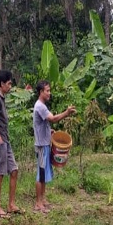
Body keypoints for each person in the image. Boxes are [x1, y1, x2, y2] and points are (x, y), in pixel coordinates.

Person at [32, 80, 75, 213]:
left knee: (44, 174)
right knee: (41, 174)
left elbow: (43, 123)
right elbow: (53, 119)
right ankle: (38, 203)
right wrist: (66, 113)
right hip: (40, 146)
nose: (49, 93)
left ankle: (43, 200)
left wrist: (48, 131)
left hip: (44, 144)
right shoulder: (40, 106)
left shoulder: (41, 105)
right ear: (41, 92)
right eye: (47, 91)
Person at [0, 69, 20, 217]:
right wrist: (0, 141)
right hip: (0, 141)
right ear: (2, 83)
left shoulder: (2, 97)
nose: (10, 86)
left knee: (14, 170)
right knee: (1, 172)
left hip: (5, 140)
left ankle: (11, 204)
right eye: (9, 84)